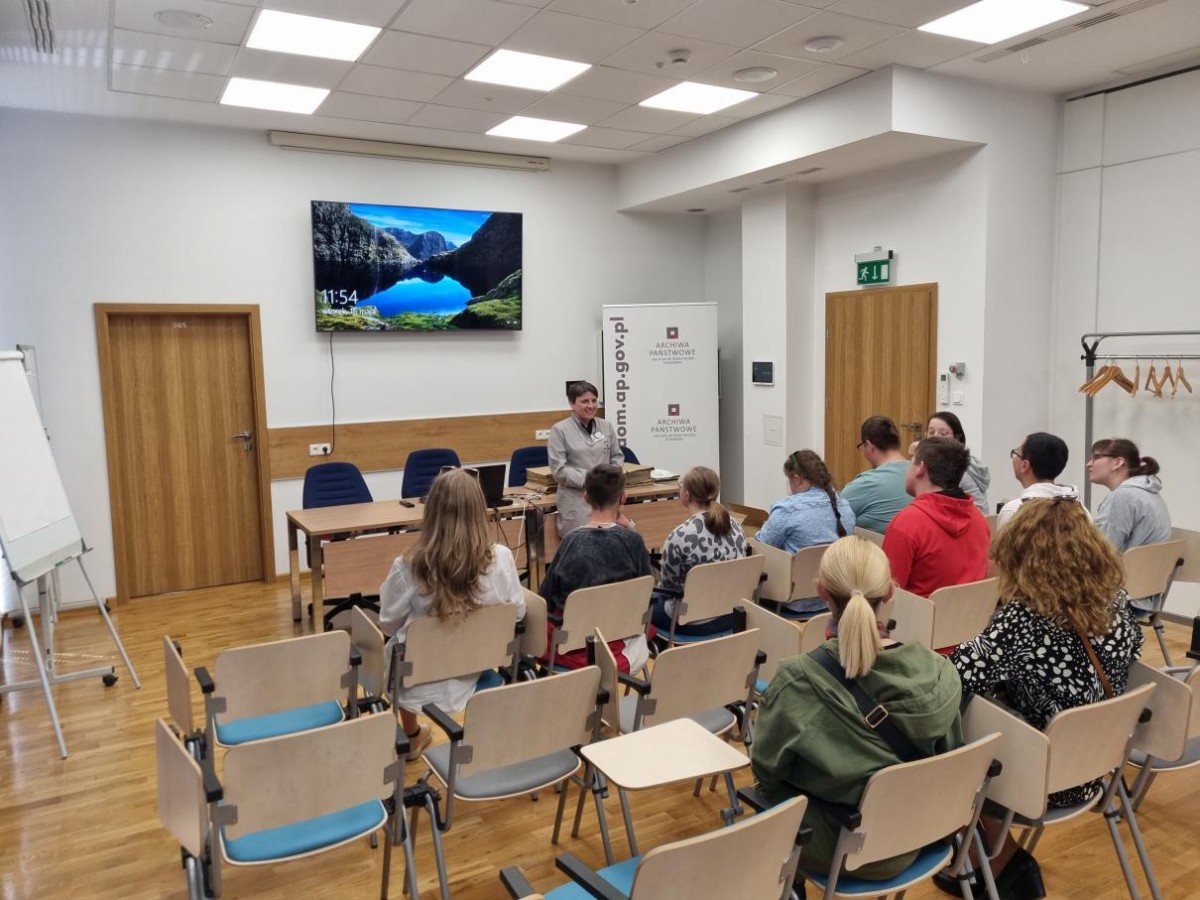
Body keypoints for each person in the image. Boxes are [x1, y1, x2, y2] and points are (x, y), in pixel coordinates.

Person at [946, 498, 1143, 900]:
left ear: (1022, 555)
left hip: (1041, 781)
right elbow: (1133, 653)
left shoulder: (1024, 618)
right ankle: (995, 860)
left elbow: (953, 678)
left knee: (949, 737)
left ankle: (1000, 862)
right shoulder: (1117, 601)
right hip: (1098, 766)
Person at [751, 536, 964, 880]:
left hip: (836, 845)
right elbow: (950, 754)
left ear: (820, 590)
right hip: (916, 834)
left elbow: (766, 771)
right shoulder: (939, 670)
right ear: (891, 591)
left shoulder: (797, 679)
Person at [379, 468, 526, 760]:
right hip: (476, 667)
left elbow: (388, 623)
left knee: (401, 644)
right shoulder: (501, 558)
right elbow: (518, 613)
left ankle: (411, 735)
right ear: (479, 510)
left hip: (417, 681)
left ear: (432, 510)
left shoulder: (408, 565)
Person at [539, 463, 653, 672]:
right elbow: (646, 593)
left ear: (586, 497)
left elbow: (545, 597)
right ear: (623, 498)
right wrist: (630, 527)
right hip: (618, 646)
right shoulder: (633, 542)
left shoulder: (569, 542)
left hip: (569, 650)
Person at [883, 437, 989, 597]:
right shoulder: (979, 520)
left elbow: (886, 595)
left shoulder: (906, 524)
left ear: (920, 468)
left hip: (917, 613)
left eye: (911, 461)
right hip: (972, 613)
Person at [650, 466, 750, 636]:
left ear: (687, 494)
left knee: (645, 601)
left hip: (690, 622)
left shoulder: (679, 535)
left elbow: (668, 588)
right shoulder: (737, 526)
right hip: (730, 614)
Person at [756, 449, 856, 615]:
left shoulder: (787, 509)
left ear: (796, 478)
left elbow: (762, 547)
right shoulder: (845, 506)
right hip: (834, 600)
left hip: (791, 602)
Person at [547, 380, 625, 536]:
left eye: (594, 400)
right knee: (581, 543)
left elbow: (617, 456)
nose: (591, 405)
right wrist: (593, 480)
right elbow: (559, 470)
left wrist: (611, 479)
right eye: (585, 401)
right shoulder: (559, 430)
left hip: (606, 498)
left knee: (608, 543)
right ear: (572, 404)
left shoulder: (606, 426)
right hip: (576, 501)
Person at [1087, 437, 1171, 553]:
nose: (1088, 464)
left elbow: (1100, 553)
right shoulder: (1148, 491)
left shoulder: (1122, 496)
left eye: (1096, 457)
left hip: (1127, 565)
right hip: (1149, 564)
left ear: (1118, 462)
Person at [996, 431, 1090, 530]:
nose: (1013, 458)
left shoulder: (1012, 512)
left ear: (1024, 465)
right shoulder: (1081, 511)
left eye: (1016, 453)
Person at [908, 412, 990, 514]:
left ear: (957, 437)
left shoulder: (956, 468)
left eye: (943, 434)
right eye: (931, 432)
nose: (935, 438)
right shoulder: (936, 461)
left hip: (969, 518)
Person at [841, 416, 912, 533]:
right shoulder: (921, 475)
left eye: (862, 447)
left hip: (879, 545)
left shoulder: (866, 484)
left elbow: (829, 518)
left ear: (869, 446)